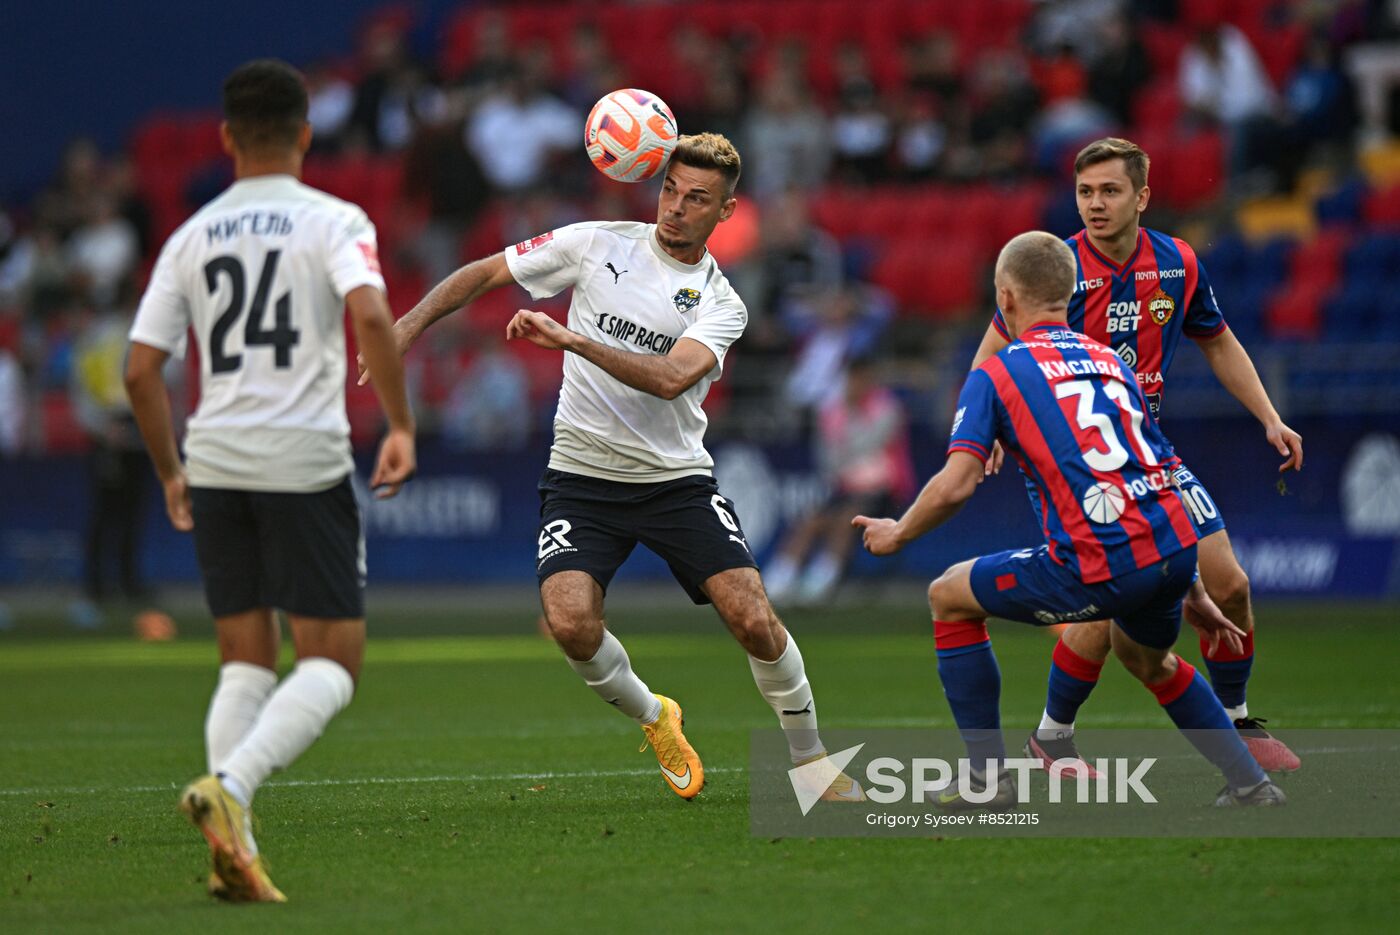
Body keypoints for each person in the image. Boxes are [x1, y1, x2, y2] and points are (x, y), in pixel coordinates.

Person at [364, 132, 862, 803]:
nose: (677, 207)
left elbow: (669, 379)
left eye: (697, 199)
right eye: (670, 190)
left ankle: (810, 762)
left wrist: (574, 339)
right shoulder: (599, 242)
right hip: (581, 473)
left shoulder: (721, 302)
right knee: (570, 621)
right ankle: (656, 716)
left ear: (726, 211)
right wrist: (406, 326)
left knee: (753, 618)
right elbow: (483, 271)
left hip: (674, 478)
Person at [854, 231, 1286, 809]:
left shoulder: (997, 373)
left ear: (1005, 299)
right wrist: (1188, 580)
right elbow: (1157, 467)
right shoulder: (1110, 360)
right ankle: (1252, 787)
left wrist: (899, 530)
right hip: (1172, 544)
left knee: (948, 595)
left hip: (1099, 559)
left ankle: (988, 781)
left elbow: (958, 483)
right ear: (1066, 294)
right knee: (1149, 660)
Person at [125, 59, 416, 902]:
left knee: (245, 665)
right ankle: (234, 789)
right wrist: (399, 424)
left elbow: (143, 371)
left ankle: (233, 838)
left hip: (215, 459)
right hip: (302, 457)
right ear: (305, 134)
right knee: (334, 662)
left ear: (225, 140)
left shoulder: (189, 236)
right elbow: (368, 314)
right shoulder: (334, 220)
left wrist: (173, 472)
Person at [969, 138, 1303, 777]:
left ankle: (1235, 718)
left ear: (1142, 197)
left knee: (1230, 583)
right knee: (1110, 592)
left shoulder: (1177, 263)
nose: (1095, 204)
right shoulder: (1058, 269)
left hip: (1149, 451)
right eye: (1085, 192)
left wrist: (1270, 417)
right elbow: (991, 351)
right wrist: (984, 433)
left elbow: (1219, 342)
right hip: (1074, 464)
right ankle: (1053, 737)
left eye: (1110, 190)